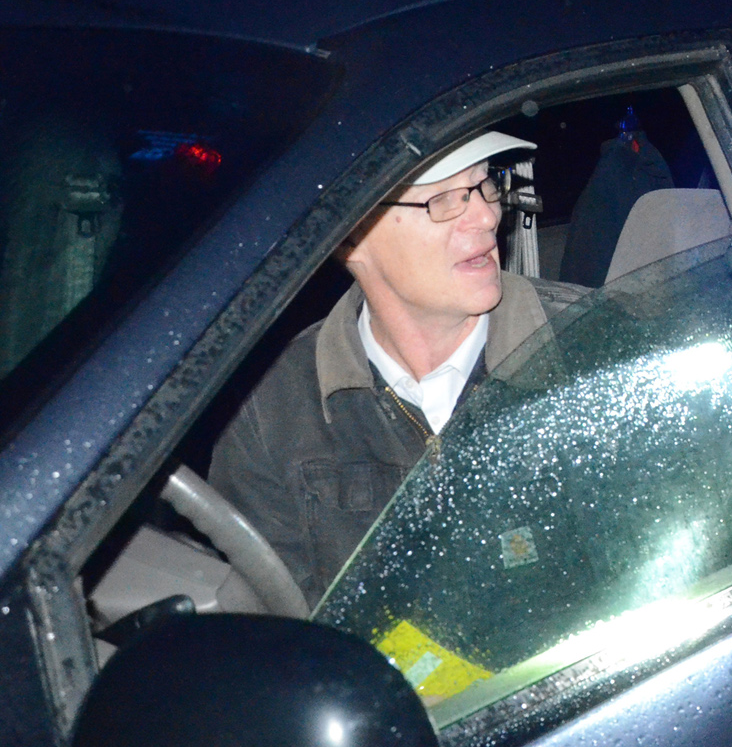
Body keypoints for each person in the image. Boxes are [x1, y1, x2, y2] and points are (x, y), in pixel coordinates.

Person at [211, 132, 585, 608]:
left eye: (485, 184)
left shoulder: (597, 348)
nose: (488, 216)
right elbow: (276, 631)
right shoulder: (267, 408)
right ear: (350, 236)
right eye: (444, 198)